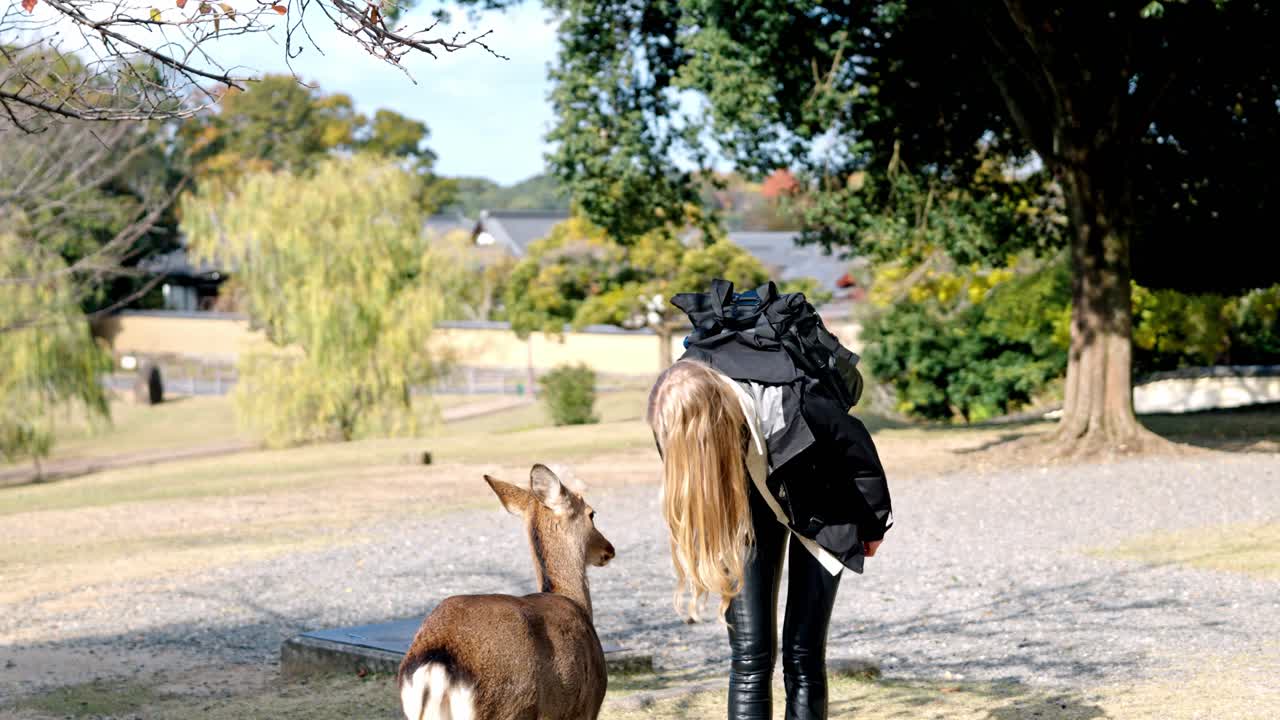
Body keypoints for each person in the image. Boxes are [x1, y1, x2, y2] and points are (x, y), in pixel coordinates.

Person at [647, 283, 892, 720]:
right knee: (750, 653)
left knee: (802, 650)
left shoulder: (793, 399)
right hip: (746, 500)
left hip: (822, 499)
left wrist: (872, 527)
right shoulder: (674, 400)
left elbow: (859, 451)